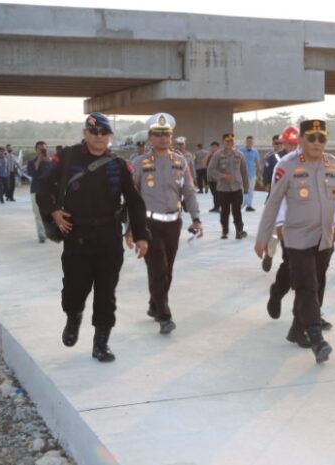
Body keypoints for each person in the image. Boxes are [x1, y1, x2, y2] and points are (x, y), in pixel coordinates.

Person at [37, 112, 150, 362]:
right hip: (76, 235)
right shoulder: (67, 158)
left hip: (109, 237)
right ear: (85, 133)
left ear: (110, 136)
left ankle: (101, 344)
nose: (99, 137)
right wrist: (53, 211)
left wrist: (141, 235)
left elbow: (135, 202)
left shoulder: (118, 165)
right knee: (74, 290)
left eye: (104, 133)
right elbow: (43, 185)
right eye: (94, 132)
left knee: (106, 292)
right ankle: (73, 318)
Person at [255, 119, 335, 364]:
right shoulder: (288, 165)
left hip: (324, 237)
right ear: (301, 140)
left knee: (318, 283)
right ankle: (316, 338)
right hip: (297, 238)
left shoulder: (333, 164)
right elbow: (273, 203)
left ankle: (296, 328)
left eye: (321, 138)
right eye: (311, 138)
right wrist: (264, 238)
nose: (317, 143)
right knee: (306, 286)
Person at [129, 113, 203, 335]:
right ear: (150, 138)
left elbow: (188, 192)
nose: (163, 139)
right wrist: (130, 228)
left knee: (167, 270)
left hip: (173, 224)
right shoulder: (139, 163)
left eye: (166, 135)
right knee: (158, 268)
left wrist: (196, 219)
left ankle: (154, 304)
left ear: (171, 137)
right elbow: (132, 198)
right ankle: (164, 315)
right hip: (149, 224)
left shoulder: (181, 162)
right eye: (158, 135)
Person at [260, 127, 298, 272]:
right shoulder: (274, 159)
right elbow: (268, 183)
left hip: (297, 204)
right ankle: (269, 254)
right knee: (274, 234)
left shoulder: (304, 159)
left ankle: (292, 266)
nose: (293, 147)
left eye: (295, 143)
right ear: (284, 143)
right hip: (277, 203)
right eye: (290, 143)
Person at [207, 133, 249, 239]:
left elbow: (244, 172)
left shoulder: (239, 155)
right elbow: (211, 170)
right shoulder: (217, 155)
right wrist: (222, 176)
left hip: (237, 188)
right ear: (223, 142)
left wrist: (246, 187)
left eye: (231, 141)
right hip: (223, 189)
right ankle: (224, 231)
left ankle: (239, 231)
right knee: (225, 211)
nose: (229, 143)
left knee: (237, 210)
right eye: (227, 141)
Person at [27, 140, 53, 243]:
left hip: (48, 191)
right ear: (36, 150)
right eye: (40, 149)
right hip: (36, 190)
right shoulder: (32, 162)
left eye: (44, 148)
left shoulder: (50, 161)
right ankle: (41, 235)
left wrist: (48, 160)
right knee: (38, 213)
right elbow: (32, 173)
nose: (42, 150)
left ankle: (48, 232)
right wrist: (39, 159)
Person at [240, 135, 260, 212]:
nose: (250, 143)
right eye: (248, 141)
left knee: (251, 190)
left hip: (252, 174)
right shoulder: (241, 150)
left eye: (251, 141)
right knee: (243, 190)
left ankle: (249, 205)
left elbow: (257, 162)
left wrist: (259, 173)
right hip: (242, 174)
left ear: (253, 142)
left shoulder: (255, 151)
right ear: (246, 142)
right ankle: (241, 204)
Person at [206, 141, 221, 212]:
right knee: (214, 193)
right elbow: (203, 164)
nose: (213, 148)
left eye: (215, 147)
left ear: (218, 148)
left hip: (217, 178)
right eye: (212, 147)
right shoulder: (209, 156)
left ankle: (218, 207)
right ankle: (216, 206)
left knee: (217, 193)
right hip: (210, 177)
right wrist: (208, 155)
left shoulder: (220, 155)